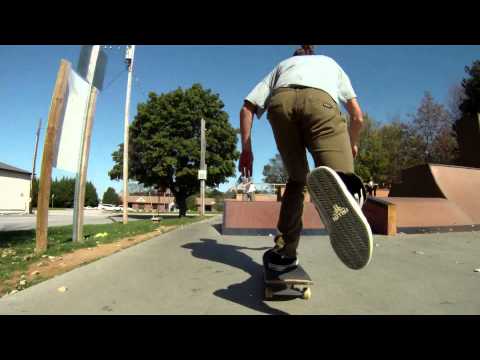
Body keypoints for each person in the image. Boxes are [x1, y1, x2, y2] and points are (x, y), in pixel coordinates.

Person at [238, 45, 373, 271]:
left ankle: (284, 252)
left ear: (296, 58)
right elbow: (357, 116)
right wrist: (351, 143)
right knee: (342, 178)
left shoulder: (282, 66)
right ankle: (349, 197)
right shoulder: (330, 63)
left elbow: (246, 109)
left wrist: (247, 151)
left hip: (280, 105)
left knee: (297, 180)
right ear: (312, 55)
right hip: (320, 103)